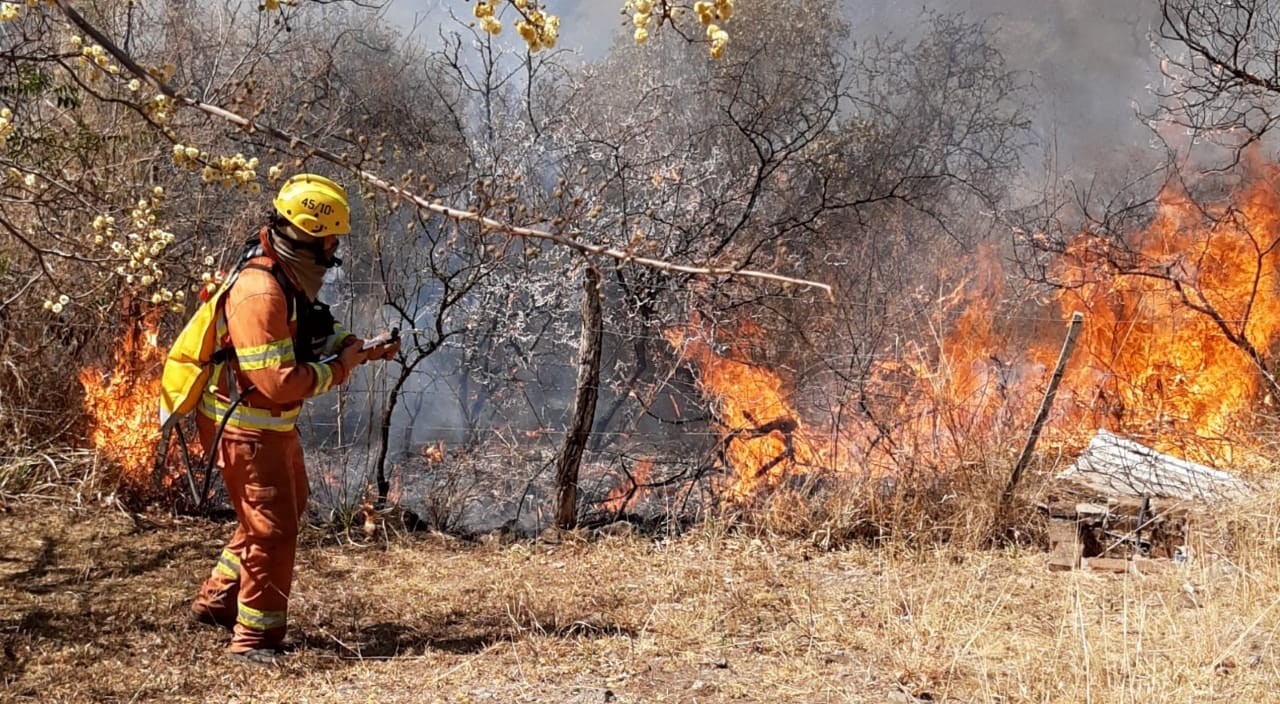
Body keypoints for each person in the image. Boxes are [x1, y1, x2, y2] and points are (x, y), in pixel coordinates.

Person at [188, 173, 399, 663]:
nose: (334, 251)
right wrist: (341, 368)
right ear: (311, 236)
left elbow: (310, 322)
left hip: (269, 425)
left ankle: (219, 599)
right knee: (272, 529)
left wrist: (354, 345)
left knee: (283, 508)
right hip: (245, 429)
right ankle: (254, 639)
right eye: (331, 240)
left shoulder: (284, 273)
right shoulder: (260, 292)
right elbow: (278, 382)